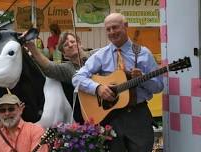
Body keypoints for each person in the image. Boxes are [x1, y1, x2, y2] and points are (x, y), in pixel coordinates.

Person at [72, 13, 164, 152]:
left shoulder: (144, 53)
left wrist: (143, 78)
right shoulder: (100, 55)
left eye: (115, 27)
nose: (111, 32)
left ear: (126, 26)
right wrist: (97, 88)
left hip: (138, 115)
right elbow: (77, 78)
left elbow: (158, 87)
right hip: (111, 117)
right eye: (108, 29)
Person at [25, 32, 94, 123]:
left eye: (73, 41)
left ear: (80, 44)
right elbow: (49, 66)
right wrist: (32, 47)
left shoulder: (96, 55)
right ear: (64, 54)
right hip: (91, 114)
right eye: (66, 45)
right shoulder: (66, 69)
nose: (70, 45)